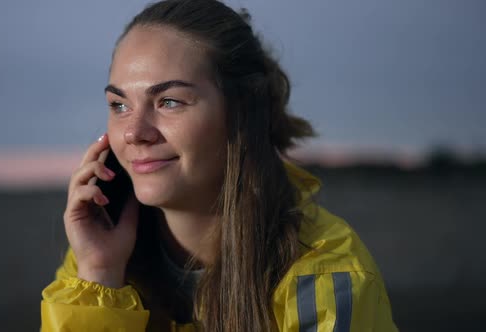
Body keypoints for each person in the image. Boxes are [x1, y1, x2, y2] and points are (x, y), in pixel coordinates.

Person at [40, 0, 398, 331]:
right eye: (119, 105)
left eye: (169, 101)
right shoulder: (97, 254)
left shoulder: (325, 277)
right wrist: (99, 275)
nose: (133, 132)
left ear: (242, 112)